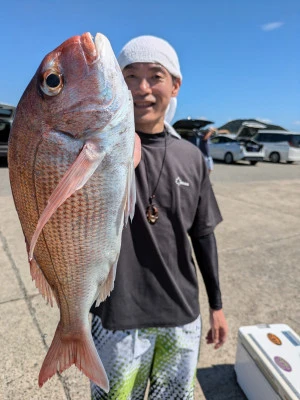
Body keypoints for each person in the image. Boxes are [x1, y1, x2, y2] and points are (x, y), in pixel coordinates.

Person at [90, 35, 228, 400]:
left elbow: (203, 235)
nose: (142, 89)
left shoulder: (192, 157)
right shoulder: (95, 150)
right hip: (115, 316)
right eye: (129, 76)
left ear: (175, 84)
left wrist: (216, 306)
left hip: (181, 315)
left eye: (156, 75)